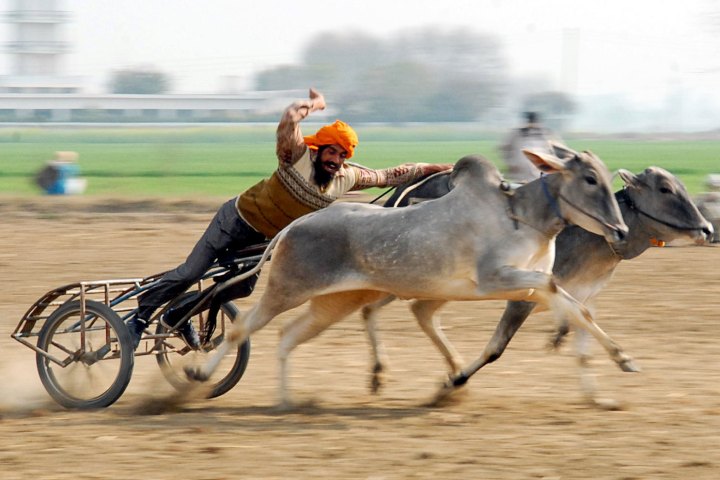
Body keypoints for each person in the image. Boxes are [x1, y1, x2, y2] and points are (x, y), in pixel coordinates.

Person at [126, 88, 453, 350]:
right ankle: (139, 319)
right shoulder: (295, 156)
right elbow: (287, 121)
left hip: (263, 240)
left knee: (240, 289)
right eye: (332, 152)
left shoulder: (347, 177)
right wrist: (314, 104)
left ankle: (176, 314)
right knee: (191, 272)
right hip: (234, 222)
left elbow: (396, 174)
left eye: (342, 155)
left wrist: (446, 168)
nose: (336, 161)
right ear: (318, 148)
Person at [499, 111, 561, 183]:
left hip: (540, 169)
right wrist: (511, 163)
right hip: (521, 171)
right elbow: (505, 148)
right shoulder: (517, 133)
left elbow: (558, 150)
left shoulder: (546, 133)